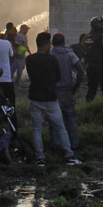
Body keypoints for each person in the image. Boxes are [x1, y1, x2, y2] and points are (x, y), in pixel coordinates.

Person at [25, 32, 82, 167]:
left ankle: (40, 158)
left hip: (34, 98)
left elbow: (31, 76)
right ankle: (69, 155)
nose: (50, 46)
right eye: (49, 43)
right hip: (50, 98)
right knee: (61, 127)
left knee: (37, 129)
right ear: (45, 44)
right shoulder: (52, 60)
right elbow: (57, 78)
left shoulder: (30, 59)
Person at [50, 32, 85, 152]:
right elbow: (81, 70)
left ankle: (56, 145)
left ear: (52, 43)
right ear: (64, 42)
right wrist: (76, 86)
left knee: (54, 120)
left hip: (54, 92)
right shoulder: (70, 53)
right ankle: (74, 144)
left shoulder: (50, 54)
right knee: (70, 118)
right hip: (67, 91)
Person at [84, 16, 103, 101]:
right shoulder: (101, 38)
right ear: (98, 26)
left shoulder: (87, 38)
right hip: (102, 68)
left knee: (91, 90)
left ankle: (88, 108)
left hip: (91, 68)